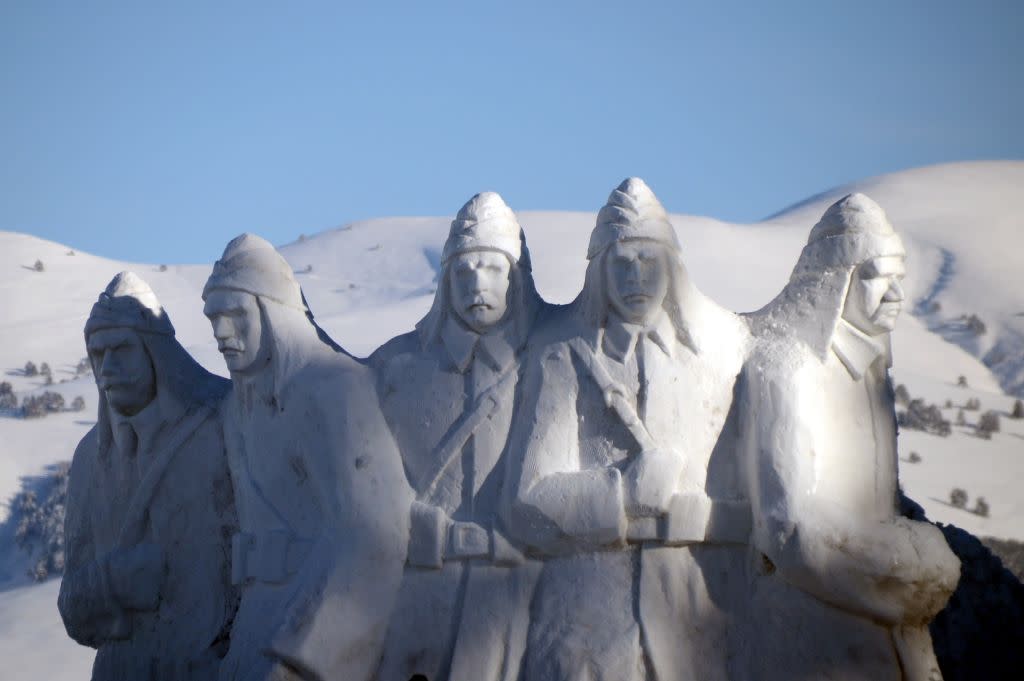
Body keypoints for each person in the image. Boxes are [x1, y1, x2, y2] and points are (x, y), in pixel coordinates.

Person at [507, 178, 752, 681]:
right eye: (620, 261)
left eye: (647, 258)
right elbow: (526, 498)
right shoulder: (563, 355)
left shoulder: (720, 355)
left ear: (671, 265)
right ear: (598, 272)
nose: (635, 275)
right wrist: (622, 496)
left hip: (694, 615)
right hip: (586, 620)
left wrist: (706, 515)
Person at [739, 193, 960, 680]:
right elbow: (789, 526)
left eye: (899, 277)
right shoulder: (787, 366)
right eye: (880, 275)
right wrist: (906, 576)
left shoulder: (871, 378)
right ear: (836, 282)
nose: (897, 292)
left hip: (888, 634)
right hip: (817, 636)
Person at [202, 233, 411, 681]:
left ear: (273, 314)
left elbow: (375, 536)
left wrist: (307, 657)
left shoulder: (334, 390)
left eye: (235, 315)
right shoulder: (235, 412)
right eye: (213, 318)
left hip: (305, 624)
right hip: (252, 623)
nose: (220, 333)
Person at [369, 192, 548, 681]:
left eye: (492, 267)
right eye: (463, 270)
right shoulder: (395, 369)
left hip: (509, 598)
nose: (476, 284)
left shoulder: (548, 359)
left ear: (518, 274)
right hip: (420, 595)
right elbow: (361, 471)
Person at [59, 271, 236, 680]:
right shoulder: (89, 458)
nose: (108, 367)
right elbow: (72, 609)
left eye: (121, 349)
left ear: (155, 351)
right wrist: (113, 581)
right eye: (98, 354)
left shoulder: (222, 422)